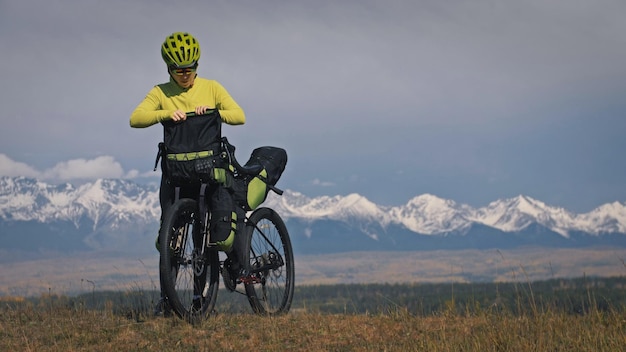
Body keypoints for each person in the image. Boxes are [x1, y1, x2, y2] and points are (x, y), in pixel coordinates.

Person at [130, 32, 246, 315]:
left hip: (208, 170)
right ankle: (167, 301)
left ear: (197, 65)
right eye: (179, 70)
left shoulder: (212, 88)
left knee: (203, 239)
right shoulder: (160, 92)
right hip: (177, 173)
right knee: (169, 238)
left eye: (190, 69)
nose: (185, 75)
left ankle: (200, 299)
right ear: (168, 68)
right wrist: (164, 113)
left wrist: (214, 109)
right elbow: (135, 119)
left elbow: (239, 115)